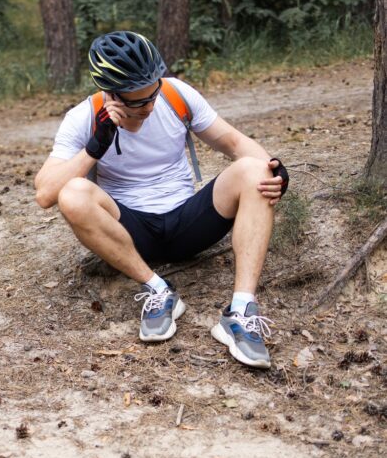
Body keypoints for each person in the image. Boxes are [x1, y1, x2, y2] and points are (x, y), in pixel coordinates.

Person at [34, 30, 289, 370]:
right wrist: (95, 147)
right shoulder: (83, 117)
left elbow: (232, 141)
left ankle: (240, 312)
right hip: (132, 234)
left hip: (188, 221)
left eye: (152, 94)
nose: (150, 106)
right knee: (73, 192)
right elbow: (45, 193)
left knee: (256, 169)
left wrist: (273, 170)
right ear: (110, 94)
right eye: (137, 102)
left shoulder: (175, 94)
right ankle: (158, 290)